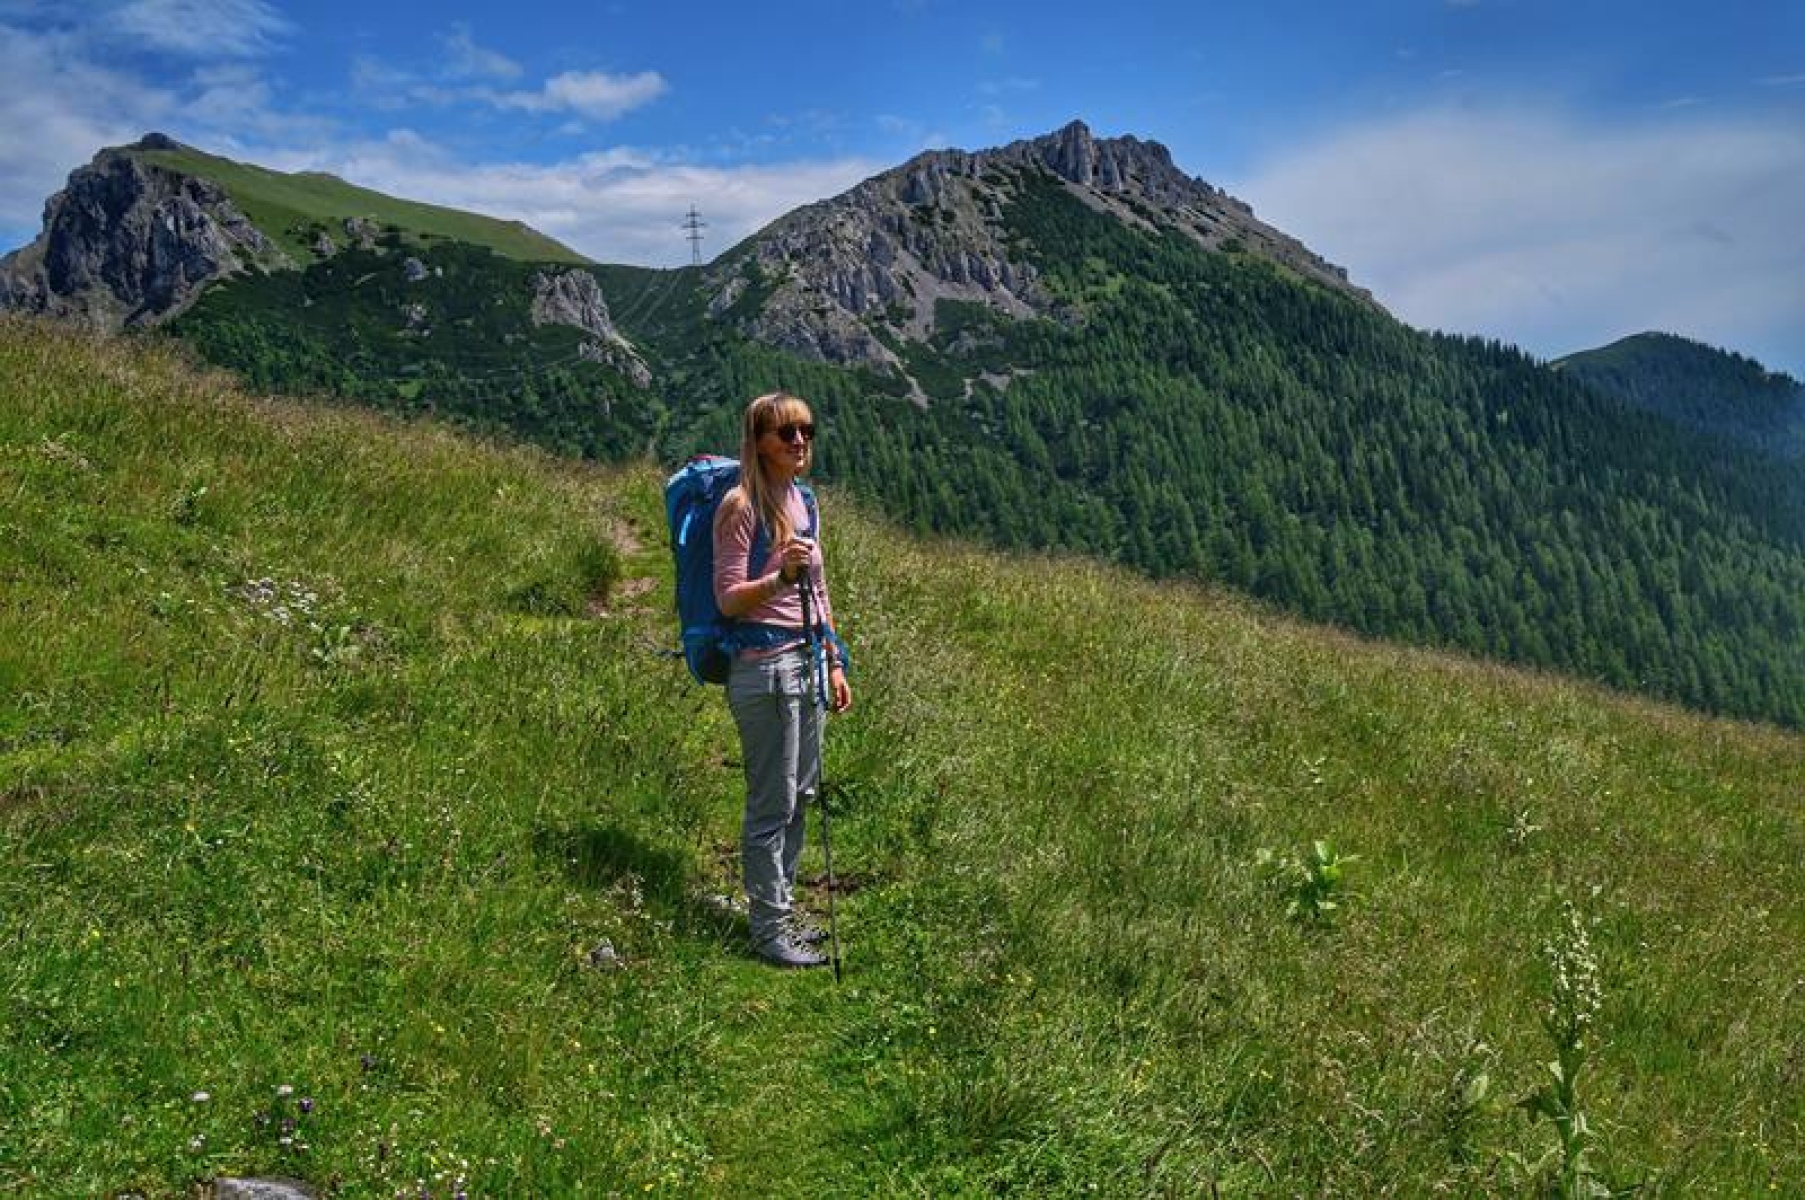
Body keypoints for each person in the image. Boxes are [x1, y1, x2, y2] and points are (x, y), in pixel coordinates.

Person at [713, 391, 852, 969]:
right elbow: (727, 600)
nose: (799, 442)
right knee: (773, 803)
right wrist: (778, 579)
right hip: (764, 667)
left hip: (807, 661)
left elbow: (817, 589)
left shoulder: (804, 499)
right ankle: (769, 933)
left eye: (806, 431)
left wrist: (834, 660)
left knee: (801, 797)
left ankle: (781, 912)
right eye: (785, 433)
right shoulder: (741, 506)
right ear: (758, 442)